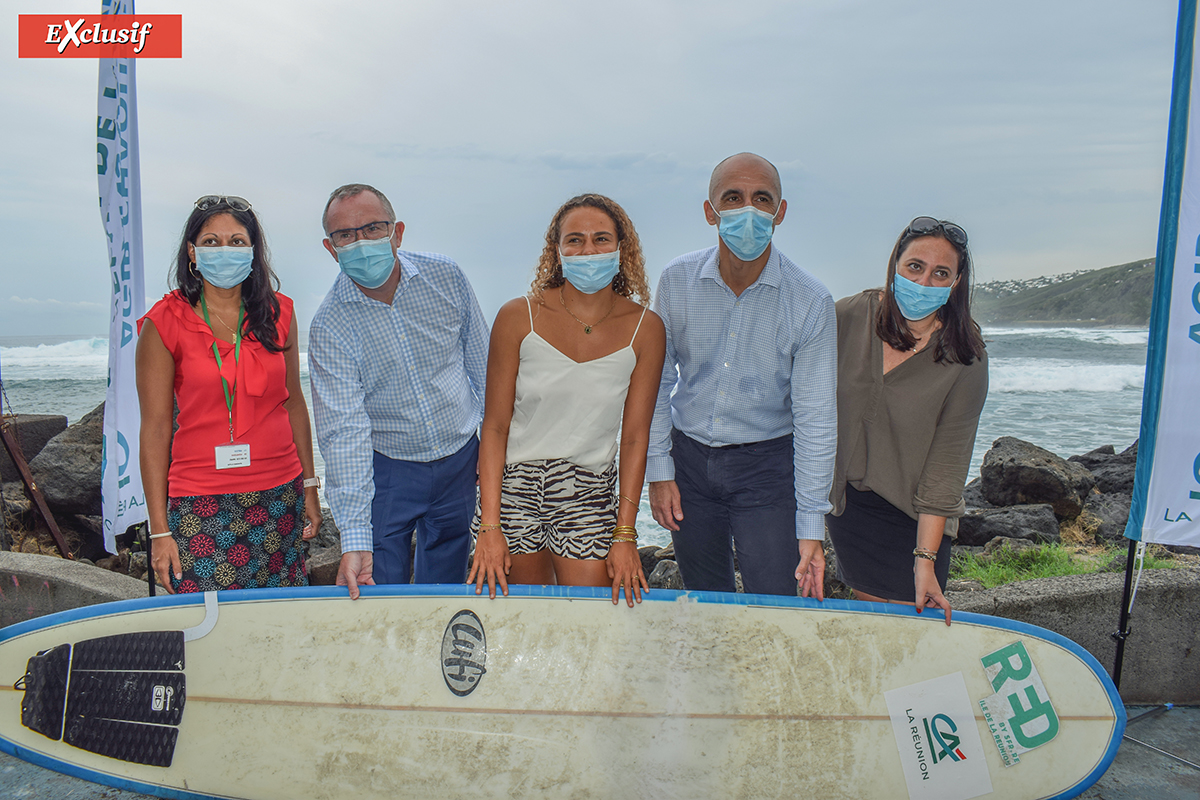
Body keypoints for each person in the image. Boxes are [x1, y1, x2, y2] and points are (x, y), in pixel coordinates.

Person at [647, 153, 836, 597]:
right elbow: (657, 382)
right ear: (711, 211)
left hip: (767, 468)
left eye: (761, 198)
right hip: (688, 463)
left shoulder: (810, 300)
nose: (748, 210)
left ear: (780, 212)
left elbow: (816, 417)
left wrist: (811, 527)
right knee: (704, 600)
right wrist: (659, 470)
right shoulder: (676, 281)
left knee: (775, 604)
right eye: (733, 198)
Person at [468, 194, 666, 606]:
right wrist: (489, 526)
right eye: (574, 240)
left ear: (621, 248)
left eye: (600, 239)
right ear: (556, 252)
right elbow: (495, 426)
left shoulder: (645, 329)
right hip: (514, 491)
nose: (588, 250)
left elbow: (634, 439)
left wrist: (626, 534)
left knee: (592, 624)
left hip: (587, 490)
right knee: (523, 622)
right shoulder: (517, 316)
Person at [309, 184, 488, 599]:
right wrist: (353, 538)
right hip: (388, 467)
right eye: (346, 235)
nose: (361, 241)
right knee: (376, 587)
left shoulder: (446, 276)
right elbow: (342, 432)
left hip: (460, 457)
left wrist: (495, 453)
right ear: (330, 248)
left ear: (398, 232)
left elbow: (486, 371)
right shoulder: (329, 325)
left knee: (444, 584)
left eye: (373, 228)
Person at [137, 195, 321, 593]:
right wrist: (158, 532)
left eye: (237, 241)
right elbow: (154, 431)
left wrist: (309, 483)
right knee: (206, 630)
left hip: (280, 496)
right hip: (201, 504)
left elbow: (293, 403)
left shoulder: (281, 313)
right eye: (211, 241)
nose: (224, 250)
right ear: (192, 251)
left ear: (253, 251)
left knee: (277, 624)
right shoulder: (164, 322)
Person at [826, 217, 988, 625]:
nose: (925, 281)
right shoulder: (846, 317)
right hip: (848, 508)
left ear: (957, 283)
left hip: (917, 519)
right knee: (876, 635)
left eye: (941, 273)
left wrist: (924, 559)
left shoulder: (966, 356)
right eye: (915, 267)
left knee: (909, 637)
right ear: (895, 264)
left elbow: (947, 465)